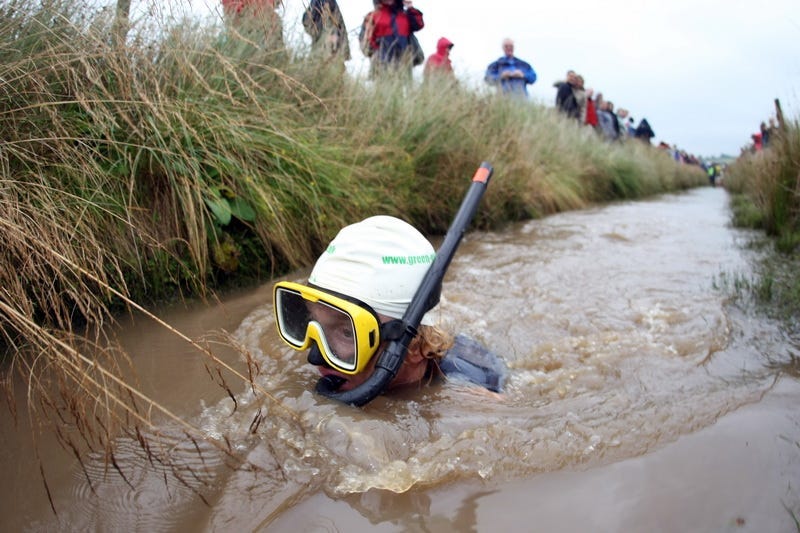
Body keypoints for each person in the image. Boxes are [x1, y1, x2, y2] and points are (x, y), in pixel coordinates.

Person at [273, 216, 507, 397]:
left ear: (415, 347)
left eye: (347, 332)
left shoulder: (471, 392)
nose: (315, 357)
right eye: (312, 325)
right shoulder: (341, 369)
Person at [360, 0, 425, 76]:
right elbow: (366, 42)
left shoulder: (405, 15)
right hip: (381, 66)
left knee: (404, 86)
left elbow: (418, 24)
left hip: (404, 65)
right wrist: (377, 54)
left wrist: (410, 7)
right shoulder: (373, 16)